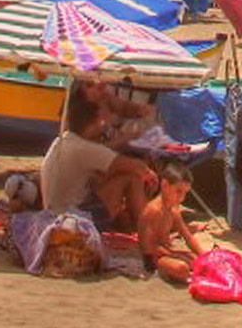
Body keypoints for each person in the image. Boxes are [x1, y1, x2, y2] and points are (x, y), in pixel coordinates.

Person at [40, 89, 155, 232]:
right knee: (131, 177)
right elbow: (135, 166)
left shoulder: (62, 141)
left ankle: (136, 223)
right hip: (72, 220)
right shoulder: (84, 148)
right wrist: (150, 175)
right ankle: (147, 229)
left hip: (56, 213)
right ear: (93, 124)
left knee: (112, 178)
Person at [137, 161, 210, 284]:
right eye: (178, 191)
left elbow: (187, 236)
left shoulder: (173, 208)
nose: (182, 198)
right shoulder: (154, 210)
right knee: (181, 268)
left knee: (196, 259)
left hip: (167, 252)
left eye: (185, 193)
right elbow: (148, 248)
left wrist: (205, 256)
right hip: (153, 258)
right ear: (165, 185)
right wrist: (173, 255)